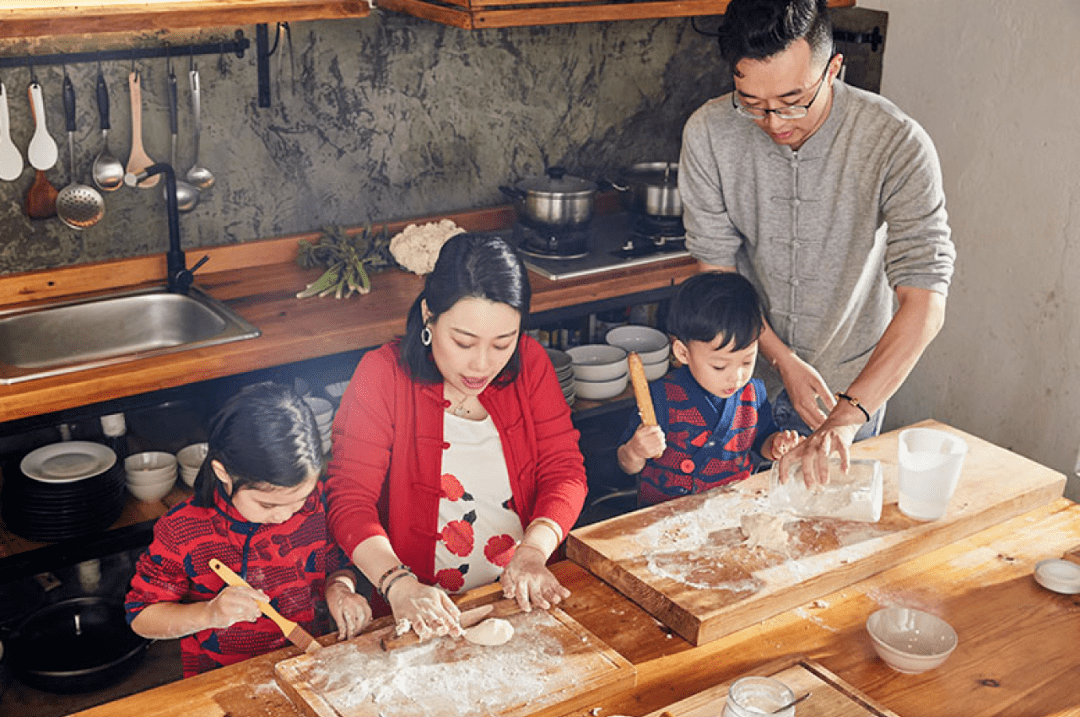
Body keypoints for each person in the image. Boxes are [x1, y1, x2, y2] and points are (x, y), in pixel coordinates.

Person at [678, 0, 956, 485]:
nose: (776, 122)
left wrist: (850, 414)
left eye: (793, 101)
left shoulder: (895, 142)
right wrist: (781, 361)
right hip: (740, 384)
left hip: (851, 387)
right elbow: (718, 276)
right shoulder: (709, 132)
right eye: (752, 103)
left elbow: (925, 299)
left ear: (834, 69)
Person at [326, 233, 587, 641]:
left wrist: (534, 551)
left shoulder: (531, 364)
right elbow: (349, 500)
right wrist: (398, 583)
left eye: (503, 343)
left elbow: (565, 471)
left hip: (517, 600)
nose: (482, 364)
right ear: (430, 315)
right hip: (418, 614)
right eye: (463, 342)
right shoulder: (381, 375)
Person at [125, 383, 371, 677]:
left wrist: (340, 588)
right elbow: (142, 617)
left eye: (299, 500)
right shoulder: (183, 530)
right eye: (267, 505)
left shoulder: (315, 506)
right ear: (223, 473)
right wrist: (209, 613)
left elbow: (337, 565)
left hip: (306, 662)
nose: (283, 515)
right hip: (221, 677)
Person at [617, 272, 801, 505]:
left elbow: (760, 442)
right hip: (664, 520)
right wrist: (635, 451)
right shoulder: (661, 398)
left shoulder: (753, 394)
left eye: (747, 361)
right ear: (683, 353)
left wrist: (775, 445)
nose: (736, 377)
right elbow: (626, 464)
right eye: (719, 366)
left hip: (732, 510)